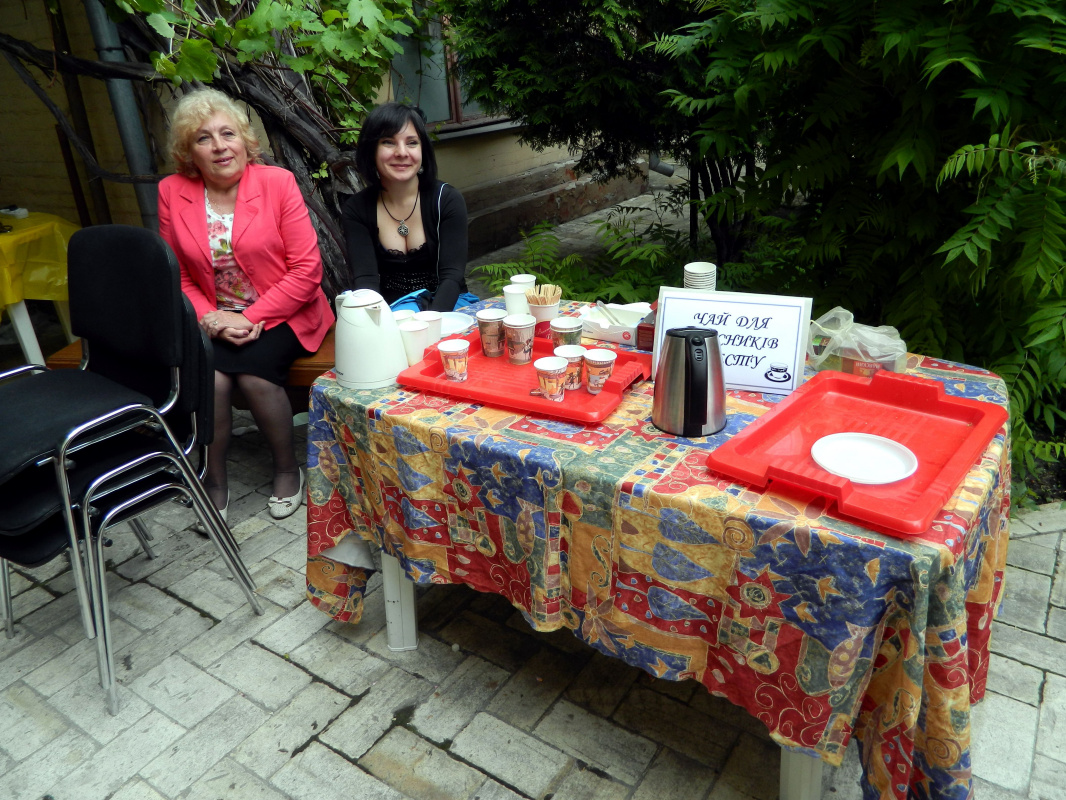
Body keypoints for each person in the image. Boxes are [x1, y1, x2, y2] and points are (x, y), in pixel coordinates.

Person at [158, 88, 334, 524]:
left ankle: (286, 469)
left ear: (244, 140)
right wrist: (211, 319)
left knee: (254, 376)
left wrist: (252, 317)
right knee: (213, 379)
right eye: (203, 138)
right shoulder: (172, 191)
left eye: (228, 134)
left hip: (286, 310)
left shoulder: (277, 183)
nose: (219, 146)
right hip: (214, 315)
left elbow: (306, 271)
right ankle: (214, 478)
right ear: (189, 152)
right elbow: (177, 276)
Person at [342, 102, 471, 311]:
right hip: (392, 312)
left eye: (412, 143)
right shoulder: (357, 209)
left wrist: (430, 323)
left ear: (423, 150)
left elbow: (452, 276)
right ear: (371, 150)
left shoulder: (446, 200)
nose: (402, 152)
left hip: (450, 306)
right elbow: (366, 282)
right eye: (388, 142)